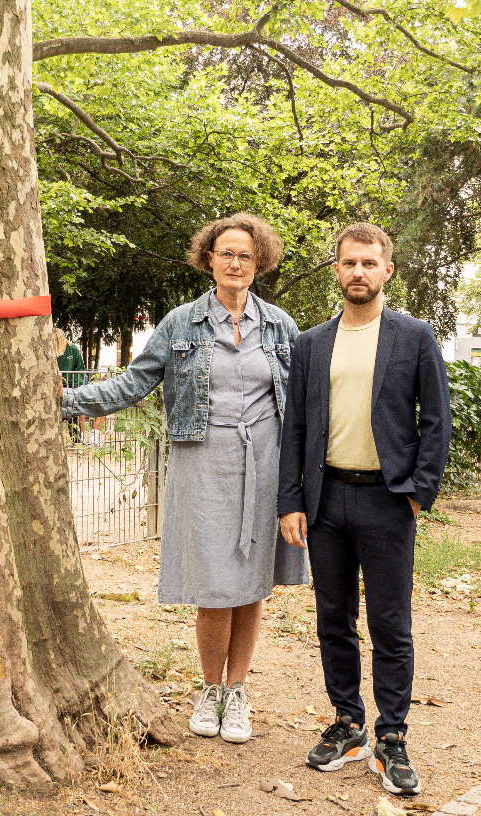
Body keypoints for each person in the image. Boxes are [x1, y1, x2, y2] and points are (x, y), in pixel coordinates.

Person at [61, 213, 307, 744]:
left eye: (245, 254)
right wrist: (67, 401)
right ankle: (209, 690)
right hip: (203, 459)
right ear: (208, 260)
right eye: (226, 254)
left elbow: (307, 402)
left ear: (259, 260)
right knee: (214, 583)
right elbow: (136, 381)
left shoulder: (281, 326)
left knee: (251, 582)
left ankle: (237, 692)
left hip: (265, 460)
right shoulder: (180, 323)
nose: (236, 263)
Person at [278, 222, 451, 794]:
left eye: (369, 264)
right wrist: (291, 501)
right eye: (349, 263)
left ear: (387, 271)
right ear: (337, 270)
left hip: (387, 500)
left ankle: (392, 737)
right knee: (334, 620)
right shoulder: (310, 344)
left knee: (390, 624)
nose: (359, 273)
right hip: (326, 501)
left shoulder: (414, 338)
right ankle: (347, 724)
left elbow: (435, 421)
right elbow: (296, 427)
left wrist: (419, 491)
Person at [55, 329, 88, 442]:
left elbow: (80, 369)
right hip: (55, 386)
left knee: (71, 413)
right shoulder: (50, 350)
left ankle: (76, 440)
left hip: (69, 386)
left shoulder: (72, 349)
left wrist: (75, 385)